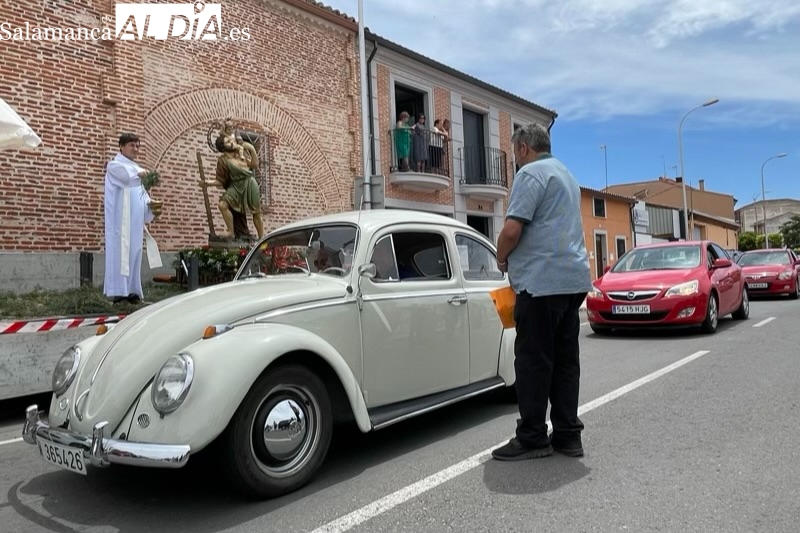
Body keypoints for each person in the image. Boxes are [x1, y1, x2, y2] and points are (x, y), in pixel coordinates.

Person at [491, 123, 592, 461]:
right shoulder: (567, 176)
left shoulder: (531, 174)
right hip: (572, 281)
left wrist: (501, 256)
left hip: (540, 283)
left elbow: (511, 230)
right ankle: (567, 435)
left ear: (522, 149)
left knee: (534, 361)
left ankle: (533, 436)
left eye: (515, 152)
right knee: (565, 361)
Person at [103, 133, 161, 304]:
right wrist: (142, 176)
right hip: (120, 222)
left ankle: (133, 292)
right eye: (131, 145)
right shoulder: (114, 165)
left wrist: (152, 207)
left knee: (135, 253)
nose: (135, 149)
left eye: (137, 146)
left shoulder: (137, 168)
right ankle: (120, 294)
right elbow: (127, 180)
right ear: (121, 146)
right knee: (121, 255)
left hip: (134, 222)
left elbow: (141, 195)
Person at [203, 135, 264, 240]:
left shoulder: (241, 154)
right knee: (222, 205)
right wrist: (208, 183)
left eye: (232, 140)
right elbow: (220, 180)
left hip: (249, 184)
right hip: (235, 185)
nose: (232, 142)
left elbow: (254, 164)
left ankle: (262, 238)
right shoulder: (223, 160)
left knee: (256, 213)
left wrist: (252, 149)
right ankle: (230, 231)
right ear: (223, 147)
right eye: (228, 142)